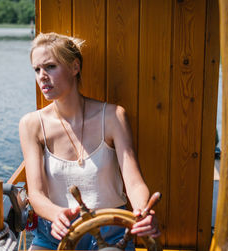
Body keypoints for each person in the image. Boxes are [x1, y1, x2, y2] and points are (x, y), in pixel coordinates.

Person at [19, 32, 160, 250]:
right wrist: (56, 214)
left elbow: (133, 182)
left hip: (110, 232)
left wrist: (142, 211)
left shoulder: (113, 117)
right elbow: (36, 194)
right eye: (37, 70)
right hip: (54, 232)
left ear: (75, 67)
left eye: (50, 67)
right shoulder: (31, 125)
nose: (42, 76)